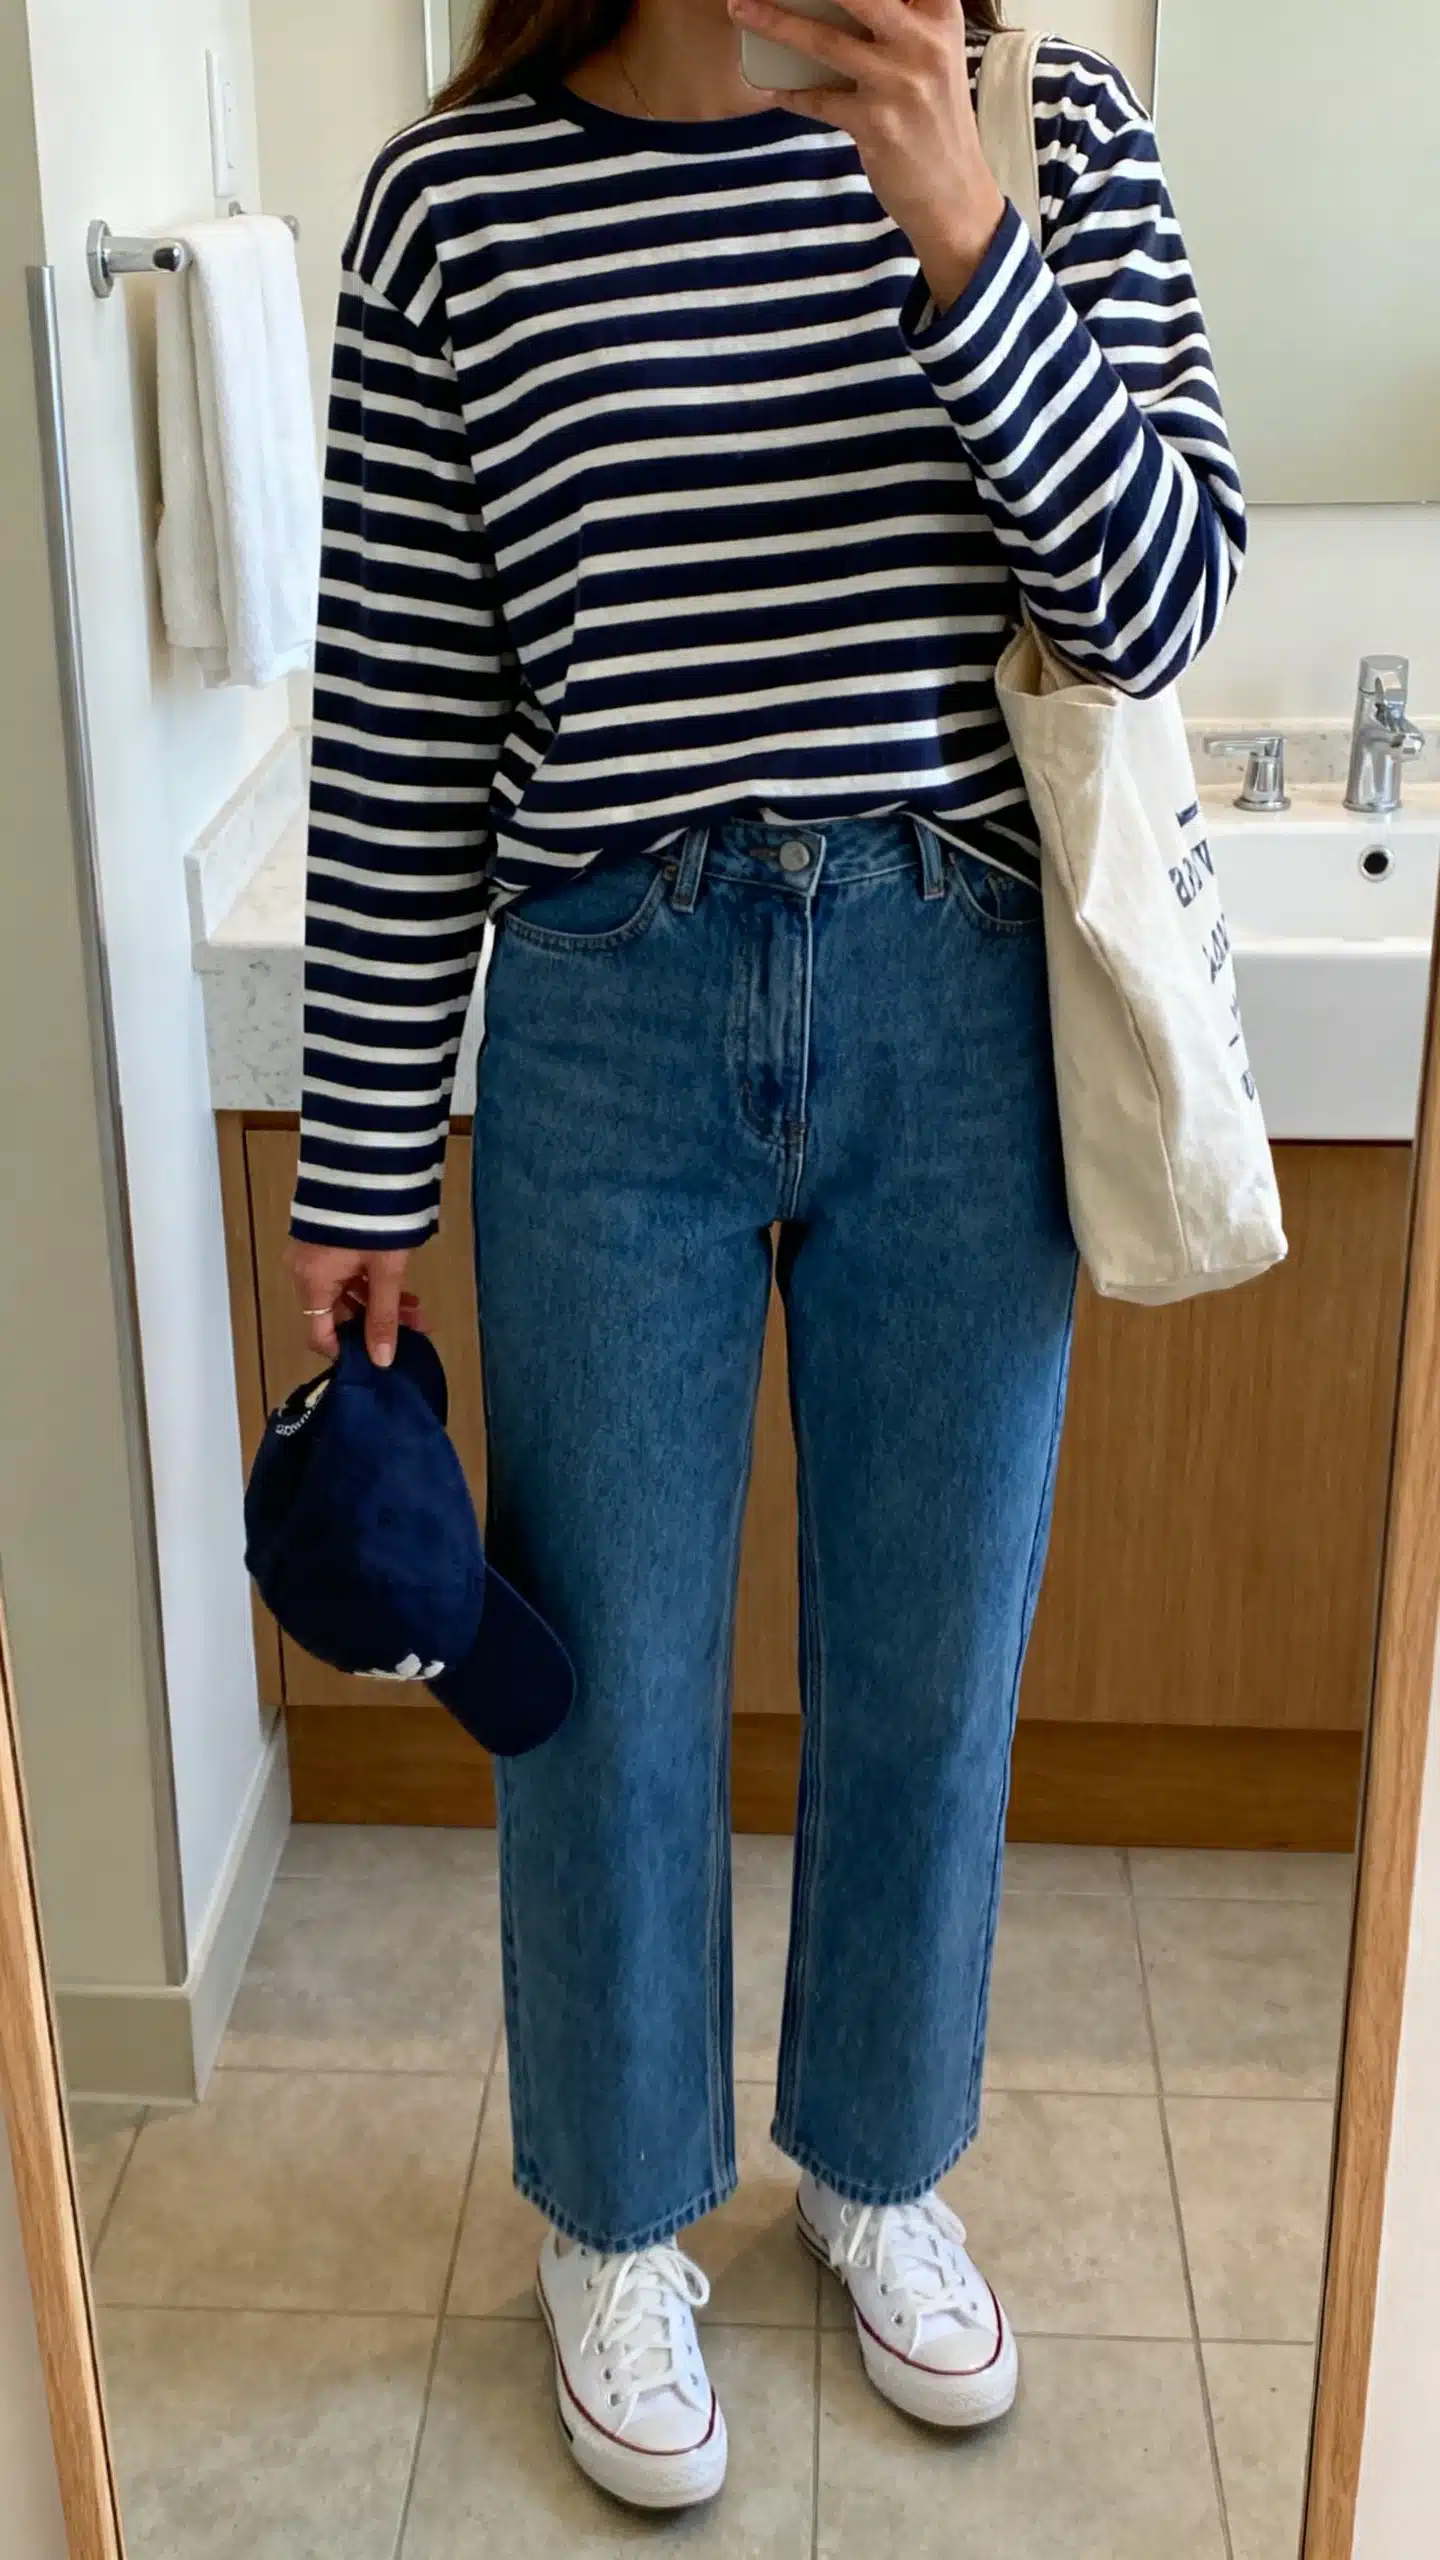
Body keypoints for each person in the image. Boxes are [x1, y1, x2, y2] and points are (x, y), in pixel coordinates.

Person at [287, 0, 1244, 2511]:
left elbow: (1161, 601)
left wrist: (961, 233)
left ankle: (880, 2157)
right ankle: (611, 2214)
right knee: (598, 1682)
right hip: (607, 1012)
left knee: (933, 1657)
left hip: (960, 992)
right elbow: (401, 713)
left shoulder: (1058, 139)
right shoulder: (455, 207)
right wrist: (364, 1150)